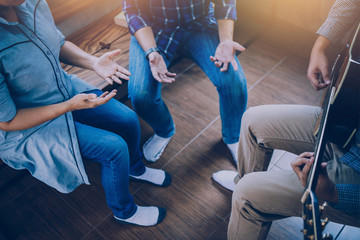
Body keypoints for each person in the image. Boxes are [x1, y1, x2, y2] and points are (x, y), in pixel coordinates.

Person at [0, 0, 171, 227]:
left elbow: (57, 43)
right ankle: (124, 211)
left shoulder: (33, 3)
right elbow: (7, 121)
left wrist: (93, 63)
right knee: (114, 148)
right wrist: (69, 106)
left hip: (62, 88)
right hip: (28, 125)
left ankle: (135, 169)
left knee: (128, 119)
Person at [212, 0, 360, 239]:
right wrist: (320, 46)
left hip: (355, 171)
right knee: (251, 120)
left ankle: (248, 198)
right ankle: (245, 181)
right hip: (346, 122)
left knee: (247, 195)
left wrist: (334, 193)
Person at [122, 0, 247, 164]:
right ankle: (164, 130)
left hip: (200, 23)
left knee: (233, 81)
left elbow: (226, 3)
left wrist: (225, 41)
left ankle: (233, 137)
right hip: (153, 29)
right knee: (141, 95)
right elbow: (133, 12)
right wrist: (151, 51)